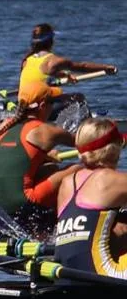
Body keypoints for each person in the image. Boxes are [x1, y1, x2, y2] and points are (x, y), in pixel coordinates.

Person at [0, 79, 76, 224]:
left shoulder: (5, 125)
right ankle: (67, 220)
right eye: (52, 103)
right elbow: (86, 142)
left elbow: (13, 158)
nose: (53, 107)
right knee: (77, 169)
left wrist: (45, 157)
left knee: (50, 168)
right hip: (22, 202)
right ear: (42, 105)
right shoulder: (45, 130)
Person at [53, 117, 127, 280]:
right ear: (113, 149)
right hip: (100, 276)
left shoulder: (67, 183)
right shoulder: (110, 179)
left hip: (65, 274)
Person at [20, 24, 114, 121]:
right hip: (41, 109)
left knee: (55, 95)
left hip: (24, 107)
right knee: (79, 98)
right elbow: (82, 66)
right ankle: (87, 125)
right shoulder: (53, 61)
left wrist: (65, 75)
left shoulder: (26, 60)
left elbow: (40, 75)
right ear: (51, 41)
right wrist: (105, 68)